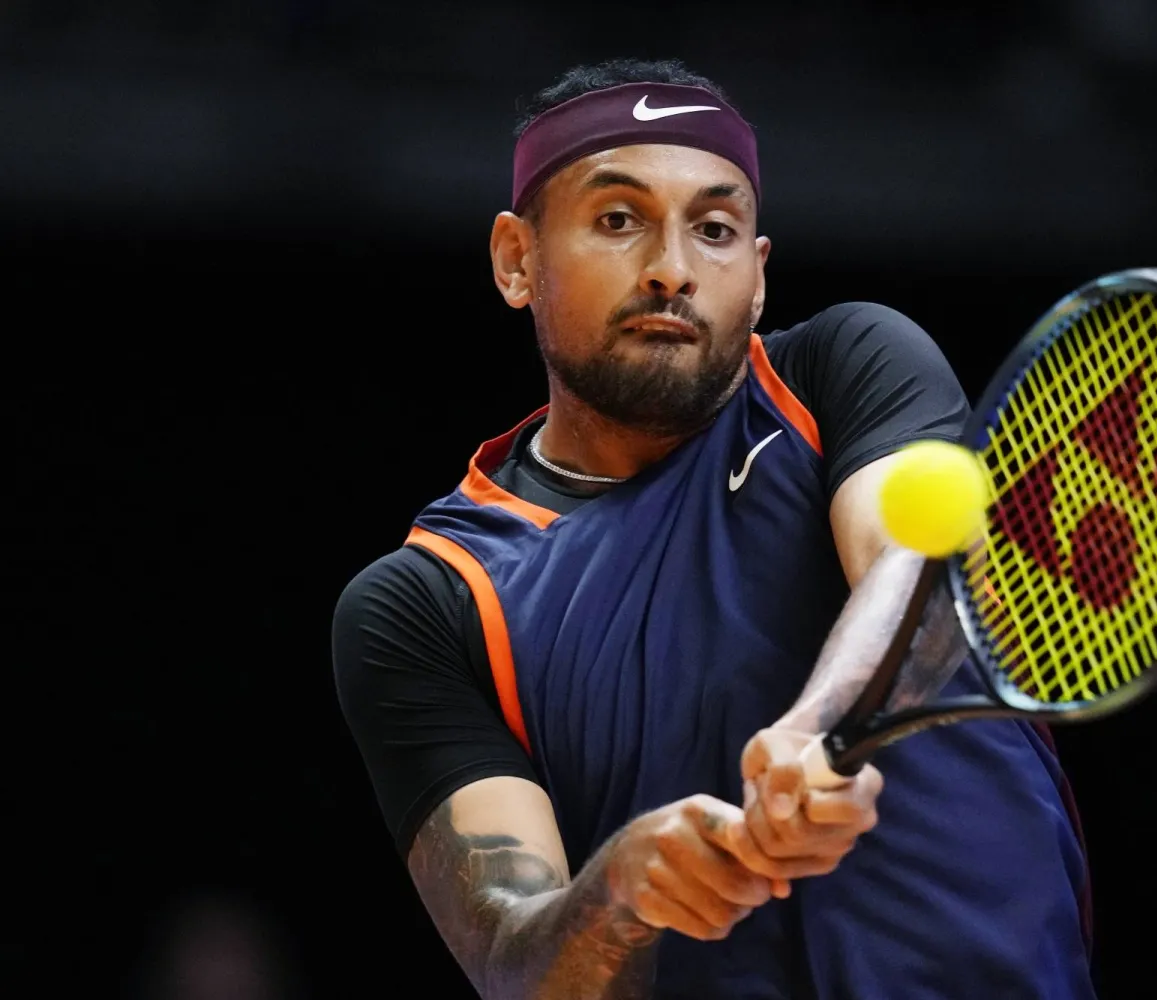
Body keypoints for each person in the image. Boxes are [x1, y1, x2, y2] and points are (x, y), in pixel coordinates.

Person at [333, 58, 1094, 1000]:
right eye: (618, 220)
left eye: (716, 228)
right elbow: (513, 960)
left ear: (759, 275)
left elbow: (915, 566)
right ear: (516, 260)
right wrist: (619, 891)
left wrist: (818, 729)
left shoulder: (844, 372)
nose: (673, 268)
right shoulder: (431, 602)